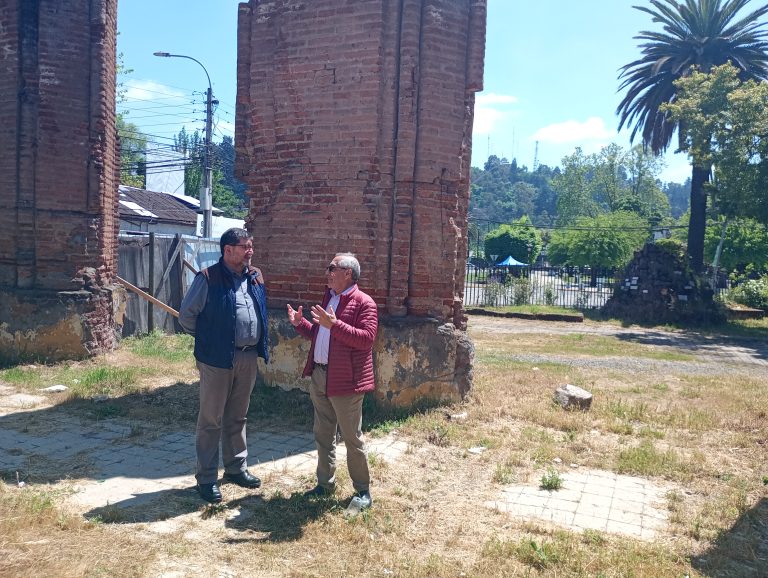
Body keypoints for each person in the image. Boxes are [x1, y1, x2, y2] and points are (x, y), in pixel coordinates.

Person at [179, 228, 269, 503]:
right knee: (211, 420)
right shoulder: (207, 278)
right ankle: (206, 479)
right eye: (245, 247)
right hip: (216, 360)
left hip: (247, 357)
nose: (250, 251)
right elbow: (186, 317)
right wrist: (210, 339)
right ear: (228, 250)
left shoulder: (255, 278)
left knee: (238, 416)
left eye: (251, 246)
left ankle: (235, 469)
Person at [286, 252, 378, 513]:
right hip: (320, 375)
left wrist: (335, 325)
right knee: (323, 433)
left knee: (351, 438)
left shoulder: (364, 303)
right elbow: (320, 334)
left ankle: (362, 490)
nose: (327, 272)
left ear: (347, 273)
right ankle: (324, 484)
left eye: (332, 268)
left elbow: (366, 339)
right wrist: (300, 323)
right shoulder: (330, 298)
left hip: (346, 380)